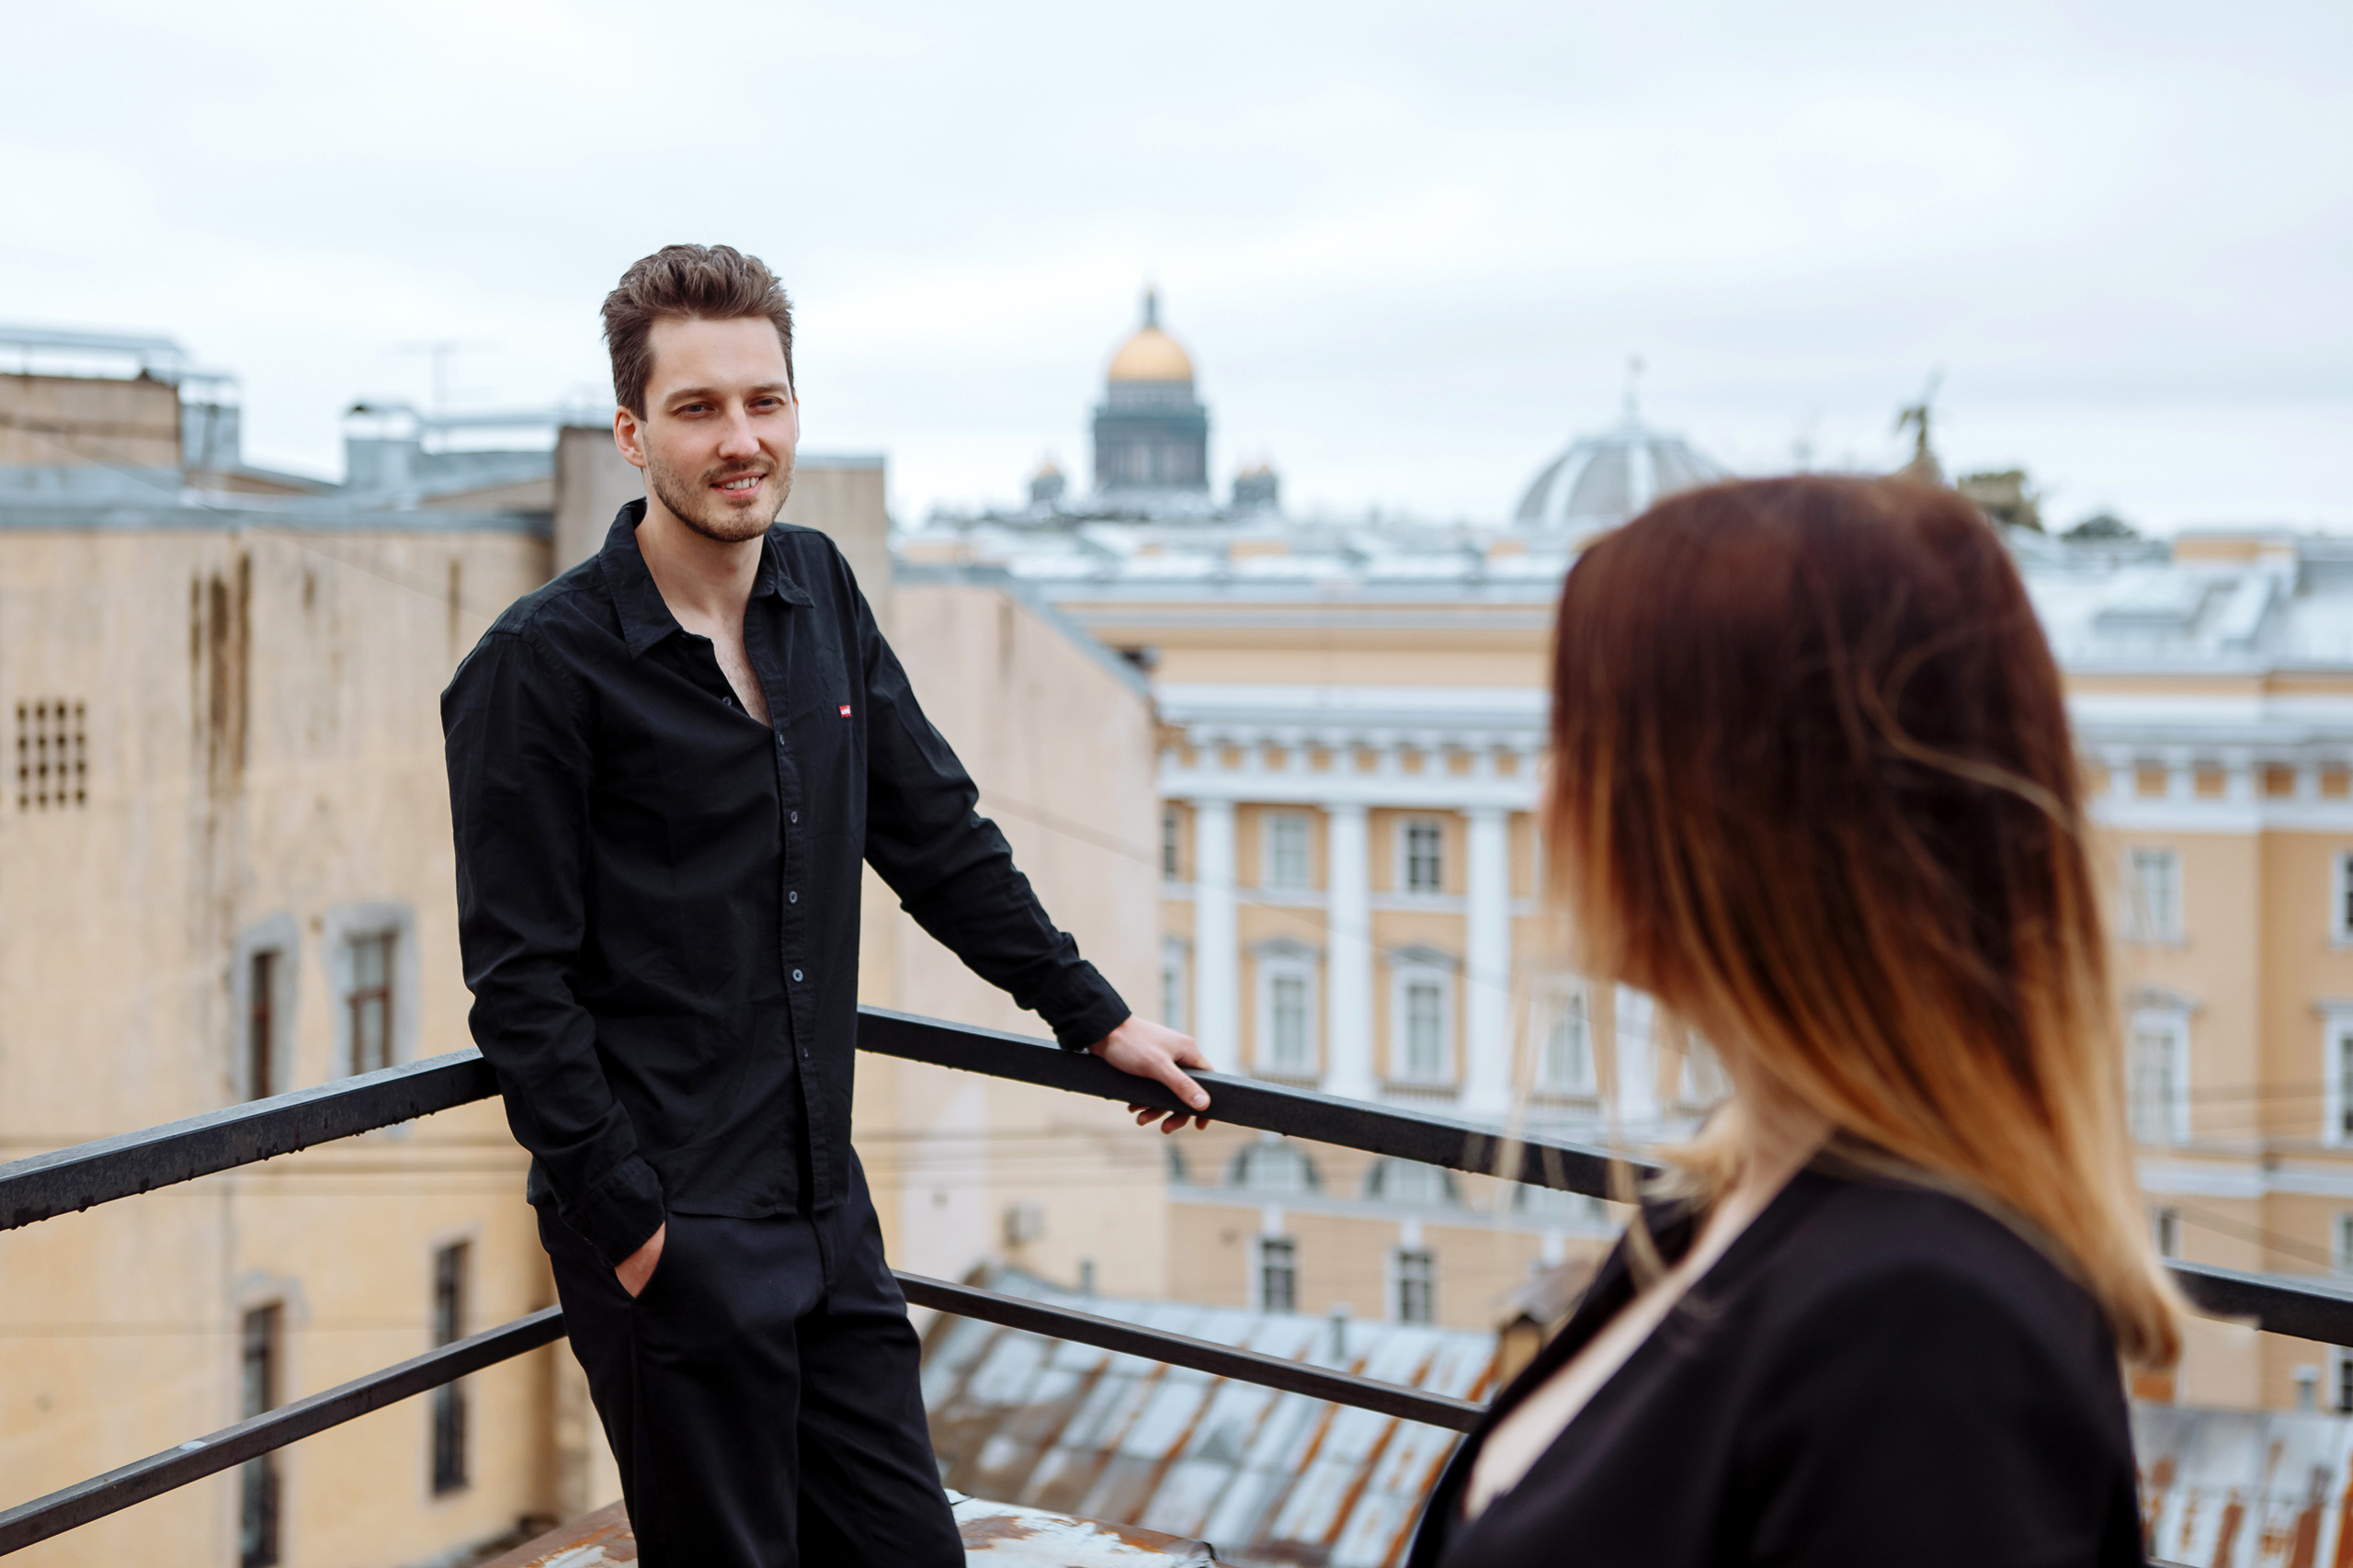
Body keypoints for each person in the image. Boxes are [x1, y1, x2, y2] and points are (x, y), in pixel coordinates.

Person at [441, 244, 1211, 1568]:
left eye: (765, 401)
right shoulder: (538, 665)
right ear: (632, 433)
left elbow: (936, 836)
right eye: (697, 408)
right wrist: (637, 1232)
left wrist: (1094, 1017)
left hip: (824, 1205)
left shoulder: (819, 591)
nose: (740, 439)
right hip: (673, 1229)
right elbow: (520, 986)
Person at [1409, 476, 2177, 1566]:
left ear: (1738, 815)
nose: (1544, 792)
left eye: (1581, 738)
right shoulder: (1725, 1200)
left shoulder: (1923, 1331)